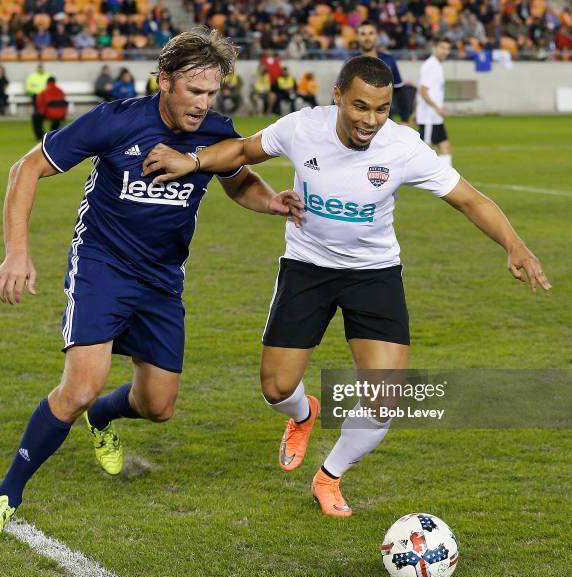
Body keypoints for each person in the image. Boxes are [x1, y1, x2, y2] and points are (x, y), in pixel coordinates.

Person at [139, 56, 551, 518]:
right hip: (306, 267)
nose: (371, 120)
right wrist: (191, 160)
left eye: (381, 109)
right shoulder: (302, 127)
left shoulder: (403, 147)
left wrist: (514, 245)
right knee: (276, 388)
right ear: (337, 97)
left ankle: (329, 476)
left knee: (385, 396)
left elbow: (469, 199)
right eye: (360, 107)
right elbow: (240, 151)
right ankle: (303, 414)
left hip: (374, 274)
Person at [0, 28, 302, 537]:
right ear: (164, 80)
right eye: (195, 91)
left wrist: (271, 202)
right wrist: (17, 252)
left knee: (158, 406)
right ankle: (6, 494)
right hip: (102, 265)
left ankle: (102, 418)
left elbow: (239, 183)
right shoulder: (117, 120)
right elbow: (27, 168)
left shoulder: (216, 131)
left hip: (162, 279)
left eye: (212, 93)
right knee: (81, 383)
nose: (203, 103)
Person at [357, 21, 411, 125]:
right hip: (358, 122)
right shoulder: (351, 62)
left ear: (376, 36)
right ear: (358, 37)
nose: (367, 37)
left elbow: (399, 90)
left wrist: (405, 119)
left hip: (384, 122)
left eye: (371, 33)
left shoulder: (389, 60)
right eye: (363, 34)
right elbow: (341, 92)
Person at [416, 37, 453, 165]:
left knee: (445, 147)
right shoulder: (431, 65)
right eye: (442, 48)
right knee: (424, 152)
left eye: (448, 49)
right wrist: (437, 108)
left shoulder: (436, 65)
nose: (445, 51)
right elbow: (423, 91)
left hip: (434, 117)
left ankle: (445, 180)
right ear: (434, 48)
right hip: (429, 117)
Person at [25, 63, 51, 139]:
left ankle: (41, 132)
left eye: (42, 67)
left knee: (40, 115)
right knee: (38, 114)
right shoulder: (32, 76)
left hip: (46, 97)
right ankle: (40, 132)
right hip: (36, 96)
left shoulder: (48, 75)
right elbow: (28, 87)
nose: (41, 69)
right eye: (40, 67)